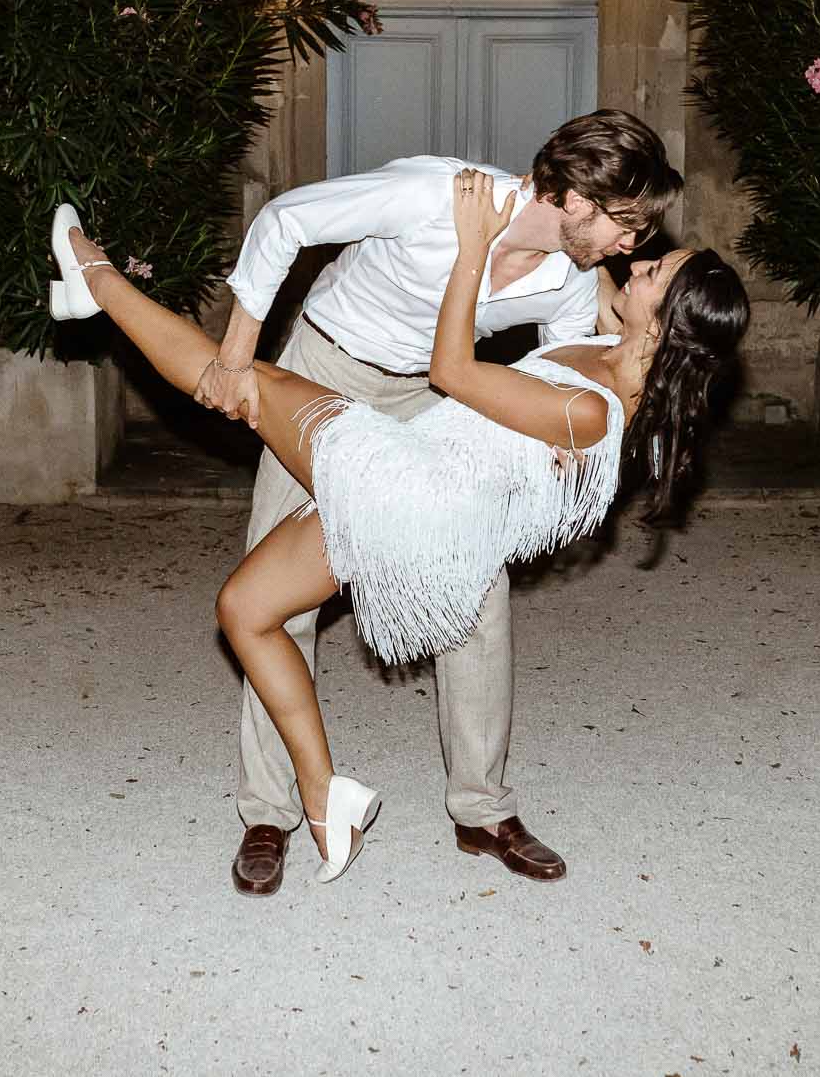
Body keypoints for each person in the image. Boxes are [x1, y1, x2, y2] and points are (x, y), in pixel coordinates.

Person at [47, 167, 751, 885]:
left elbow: (452, 370)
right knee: (245, 609)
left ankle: (87, 264)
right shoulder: (612, 342)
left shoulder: (595, 409)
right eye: (629, 233)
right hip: (406, 459)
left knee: (231, 383)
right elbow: (607, 308)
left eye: (654, 265)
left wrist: (474, 245)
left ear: (665, 321)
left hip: (407, 487)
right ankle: (317, 800)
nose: (634, 257)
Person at [204, 110, 682, 896]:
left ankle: (483, 809)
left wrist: (557, 438)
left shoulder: (567, 275)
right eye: (623, 223)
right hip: (328, 369)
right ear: (569, 194)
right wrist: (236, 352)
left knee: (474, 591)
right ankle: (270, 809)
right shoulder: (433, 196)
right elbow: (286, 218)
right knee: (276, 598)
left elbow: (549, 366)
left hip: (431, 401)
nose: (631, 245)